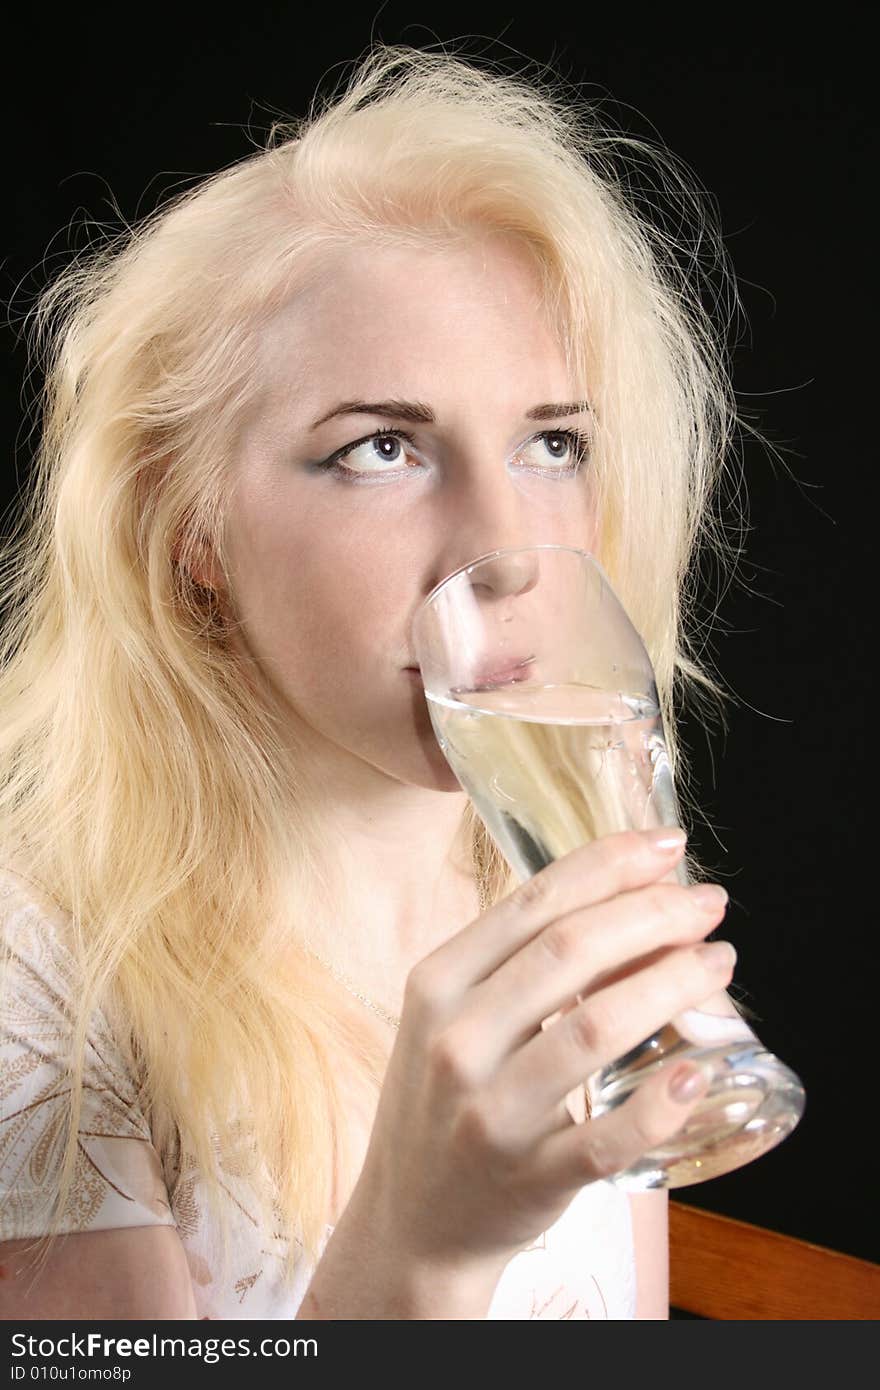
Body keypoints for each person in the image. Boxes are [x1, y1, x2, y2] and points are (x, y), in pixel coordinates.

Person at [0, 42, 749, 1320]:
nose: (499, 553)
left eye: (551, 441)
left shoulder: (551, 872)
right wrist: (420, 1245)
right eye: (381, 448)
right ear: (191, 530)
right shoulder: (42, 982)